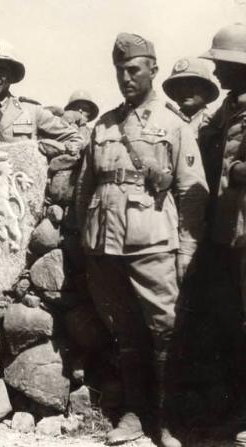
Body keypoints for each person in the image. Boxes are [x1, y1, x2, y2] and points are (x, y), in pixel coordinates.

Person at [76, 33, 208, 447]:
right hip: (105, 244)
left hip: (152, 240)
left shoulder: (173, 123)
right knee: (125, 330)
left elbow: (192, 191)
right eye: (120, 70)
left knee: (165, 329)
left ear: (153, 69)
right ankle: (135, 413)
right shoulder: (105, 123)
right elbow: (85, 187)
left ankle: (169, 421)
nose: (126, 77)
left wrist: (187, 248)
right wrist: (87, 237)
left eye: (134, 69)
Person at [200, 23, 246, 447]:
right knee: (233, 323)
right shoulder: (228, 107)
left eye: (223, 66)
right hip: (229, 232)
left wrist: (235, 171)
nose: (216, 74)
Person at [162, 57, 219, 188]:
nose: (185, 91)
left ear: (206, 90)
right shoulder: (166, 122)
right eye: (179, 86)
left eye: (192, 85)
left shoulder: (216, 123)